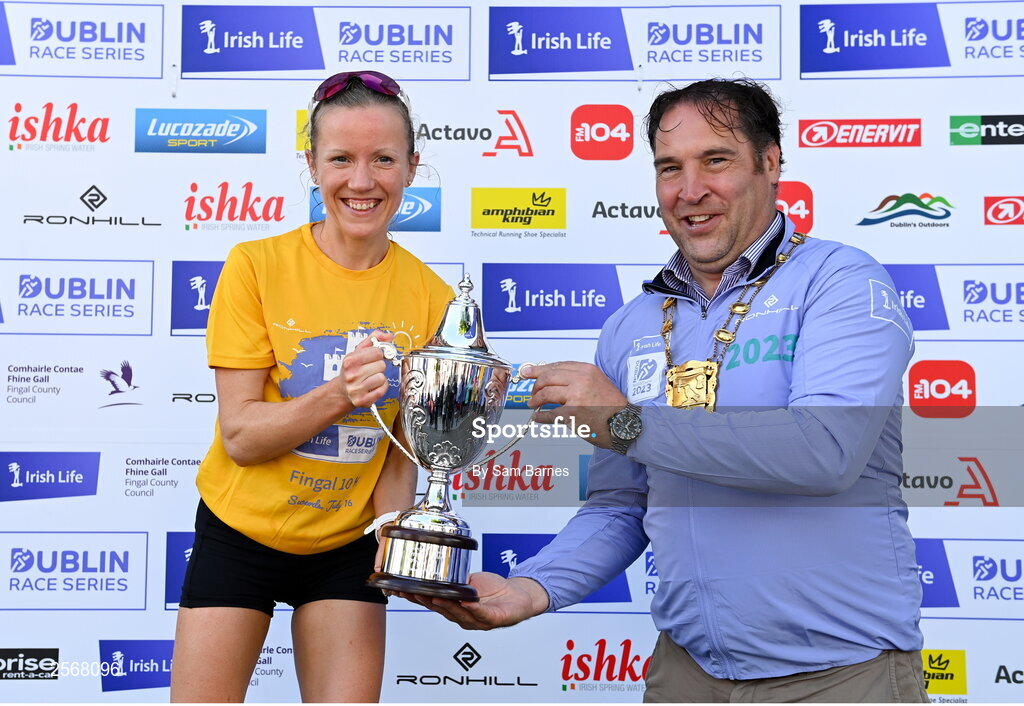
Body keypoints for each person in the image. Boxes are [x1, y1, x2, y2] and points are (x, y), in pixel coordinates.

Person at [396, 79, 929, 703]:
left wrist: (627, 422)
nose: (690, 190)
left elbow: (825, 451)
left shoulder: (840, 282)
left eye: (717, 161)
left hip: (840, 677)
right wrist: (533, 588)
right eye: (669, 168)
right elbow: (621, 506)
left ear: (771, 162)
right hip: (686, 676)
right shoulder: (631, 326)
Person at [170, 71, 453, 703]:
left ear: (412, 166)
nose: (361, 181)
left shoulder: (432, 297)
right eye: (341, 159)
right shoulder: (255, 266)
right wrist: (340, 393)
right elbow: (241, 437)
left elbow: (400, 449)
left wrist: (392, 530)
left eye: (383, 159)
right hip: (239, 529)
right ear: (311, 164)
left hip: (344, 545)